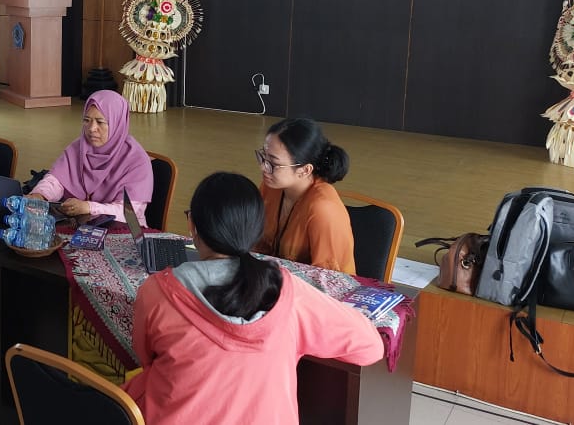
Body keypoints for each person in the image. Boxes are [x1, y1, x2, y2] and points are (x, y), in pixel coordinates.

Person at [123, 172, 383, 423]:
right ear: (257, 231)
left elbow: (145, 357)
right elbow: (371, 347)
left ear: (193, 227)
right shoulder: (288, 291)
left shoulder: (157, 290)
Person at [27, 89, 154, 224]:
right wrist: (40, 195)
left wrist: (89, 207)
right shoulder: (78, 148)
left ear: (117, 123)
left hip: (123, 229)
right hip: (82, 226)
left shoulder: (136, 161)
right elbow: (56, 180)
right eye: (87, 120)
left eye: (100, 122)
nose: (92, 128)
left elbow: (129, 214)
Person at [253, 117, 355, 273]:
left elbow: (327, 279)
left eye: (273, 163)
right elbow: (257, 244)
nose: (263, 167)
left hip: (313, 286)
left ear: (305, 170)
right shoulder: (271, 186)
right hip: (276, 278)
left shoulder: (323, 209)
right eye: (263, 157)